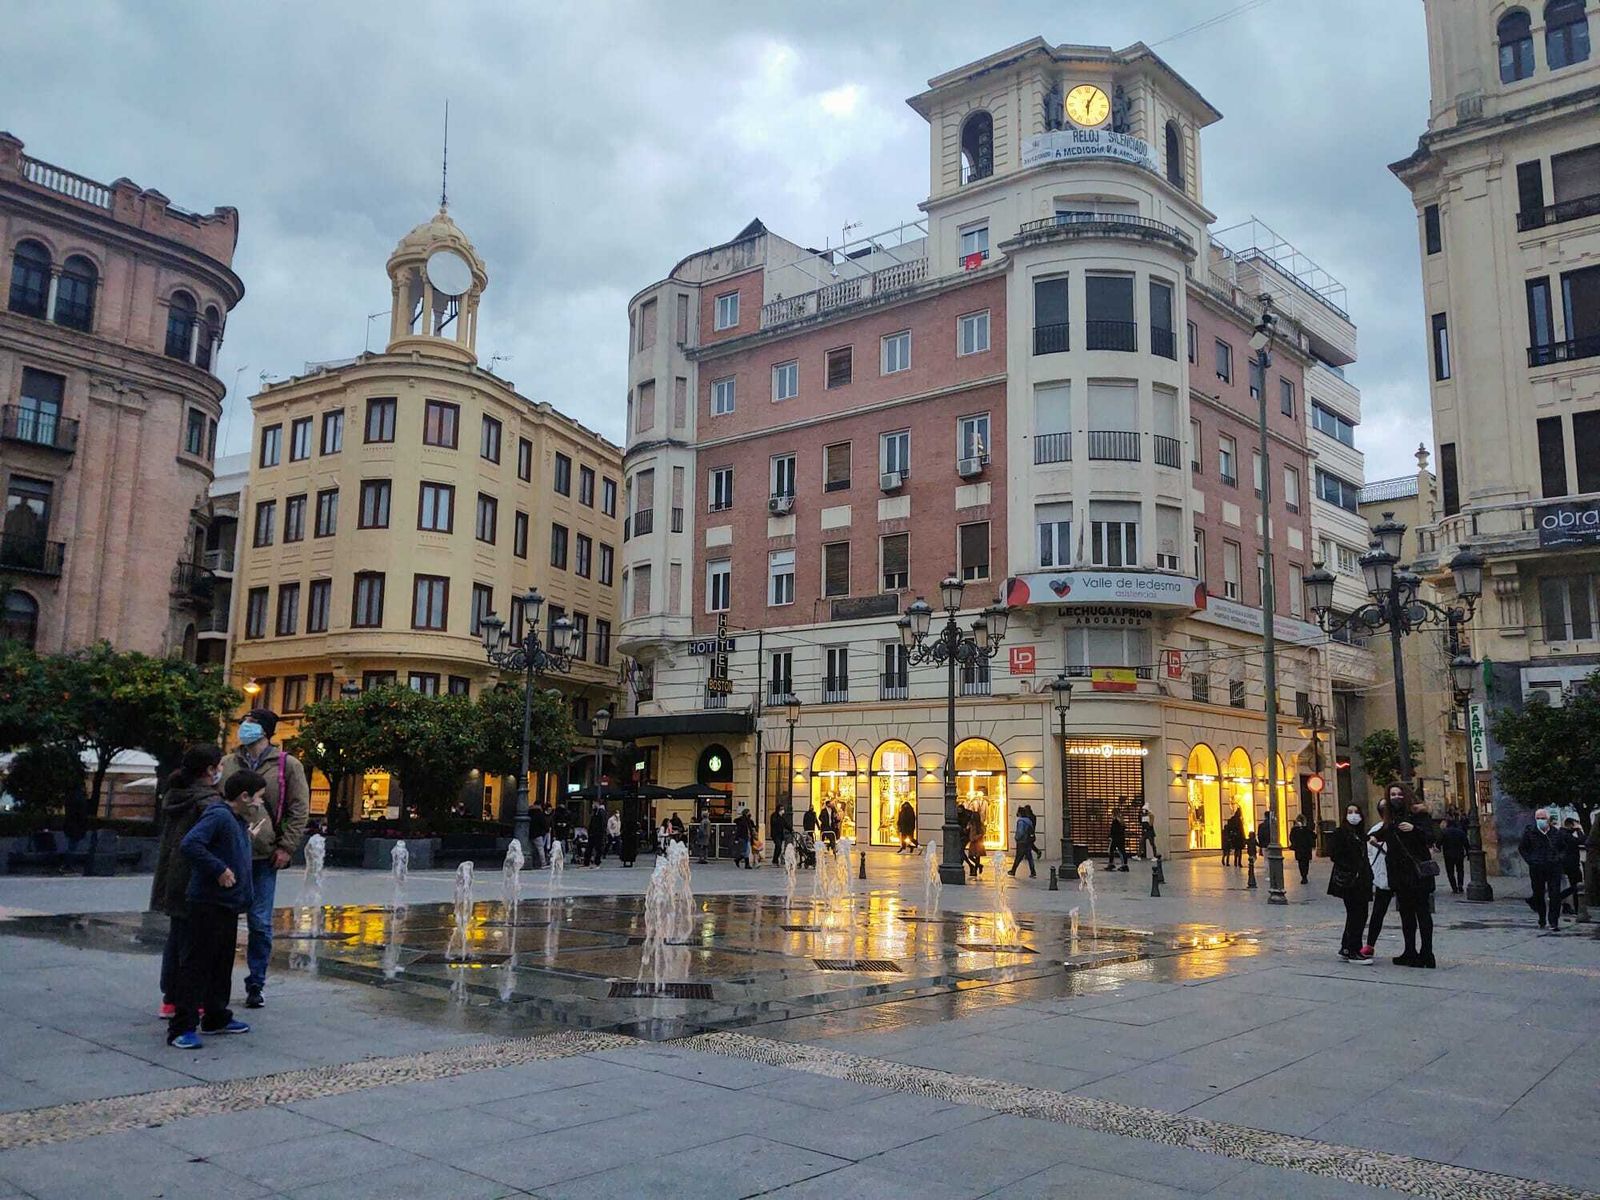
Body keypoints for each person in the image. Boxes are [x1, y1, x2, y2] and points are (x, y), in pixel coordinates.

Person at [220, 708, 309, 1010]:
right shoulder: (229, 762)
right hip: (229, 853)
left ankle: (256, 982)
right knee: (223, 920)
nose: (244, 727)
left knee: (259, 922)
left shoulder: (287, 764)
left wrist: (286, 846)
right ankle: (217, 983)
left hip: (264, 854)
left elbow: (299, 808)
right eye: (244, 722)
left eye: (251, 723)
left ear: (266, 730)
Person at [169, 770, 263, 1048]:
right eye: (258, 798)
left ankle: (216, 1015)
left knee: (221, 963)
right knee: (197, 964)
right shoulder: (218, 814)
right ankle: (181, 1027)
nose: (260, 804)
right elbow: (191, 844)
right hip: (208, 903)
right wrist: (219, 869)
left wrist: (245, 838)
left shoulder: (234, 819)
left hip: (227, 904)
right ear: (244, 797)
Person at [150, 745, 224, 1019]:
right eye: (218, 765)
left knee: (177, 938)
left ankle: (170, 998)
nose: (221, 770)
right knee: (198, 944)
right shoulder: (209, 803)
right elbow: (209, 844)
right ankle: (194, 1000)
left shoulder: (175, 795)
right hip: (197, 881)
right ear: (209, 770)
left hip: (172, 878)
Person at [1383, 783, 1437, 967]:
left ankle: (1427, 953)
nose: (1396, 797)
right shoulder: (1390, 817)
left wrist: (1414, 829)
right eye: (1392, 794)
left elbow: (1431, 836)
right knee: (1406, 915)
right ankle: (1410, 951)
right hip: (1400, 874)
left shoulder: (1419, 815)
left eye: (1399, 794)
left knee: (1422, 913)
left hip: (1417, 873)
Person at [1329, 802, 1374, 962]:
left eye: (1356, 812)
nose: (1353, 815)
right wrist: (1352, 867)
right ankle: (1354, 950)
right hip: (1350, 881)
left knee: (1357, 914)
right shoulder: (1341, 833)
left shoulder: (1361, 834)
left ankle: (1346, 947)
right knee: (1357, 914)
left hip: (1362, 880)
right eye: (1350, 812)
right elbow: (1335, 855)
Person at [1519, 807, 1564, 931]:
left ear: (1548, 819)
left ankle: (1553, 921)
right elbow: (1523, 848)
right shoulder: (1530, 832)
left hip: (1553, 868)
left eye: (1543, 818)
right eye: (1538, 819)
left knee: (1555, 894)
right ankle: (1542, 918)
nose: (1540, 821)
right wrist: (1531, 861)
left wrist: (1558, 858)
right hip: (1537, 868)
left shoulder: (1556, 833)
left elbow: (1563, 848)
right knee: (1538, 894)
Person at [1359, 799, 1392, 960]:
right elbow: (1371, 853)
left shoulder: (1402, 826)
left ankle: (1411, 948)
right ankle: (1370, 944)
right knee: (1378, 912)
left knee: (1408, 912)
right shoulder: (1377, 829)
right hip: (1383, 875)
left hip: (1401, 875)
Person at [1558, 817, 1584, 914]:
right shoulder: (1566, 835)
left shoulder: (1562, 833)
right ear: (1570, 825)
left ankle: (1566, 904)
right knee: (1577, 885)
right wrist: (1579, 830)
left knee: (1573, 886)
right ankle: (1576, 908)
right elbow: (1582, 840)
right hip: (1571, 864)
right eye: (1575, 824)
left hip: (1566, 863)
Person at [1440, 816, 1468, 894]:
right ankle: (1460, 885)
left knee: (1450, 872)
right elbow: (1466, 843)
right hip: (1459, 854)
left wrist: (1437, 848)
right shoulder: (1461, 832)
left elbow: (1439, 842)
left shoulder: (1444, 832)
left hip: (1448, 854)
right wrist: (1468, 853)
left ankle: (1454, 887)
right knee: (1460, 870)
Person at [1009, 806, 1037, 878]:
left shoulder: (1021, 821)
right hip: (1028, 841)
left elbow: (1020, 832)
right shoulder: (1028, 821)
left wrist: (1017, 838)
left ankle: (1013, 870)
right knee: (1029, 857)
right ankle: (1033, 871)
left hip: (1022, 842)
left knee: (1018, 857)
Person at [1289, 815, 1316, 884]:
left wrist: (1294, 844)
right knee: (1306, 863)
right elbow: (1314, 836)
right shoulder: (1307, 829)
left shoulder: (1294, 830)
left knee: (1300, 863)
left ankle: (1303, 876)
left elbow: (1291, 838)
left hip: (1299, 849)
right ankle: (1305, 875)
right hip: (1306, 849)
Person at [527, 803, 548, 870]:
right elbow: (543, 824)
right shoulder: (539, 814)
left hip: (529, 834)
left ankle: (531, 863)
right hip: (538, 834)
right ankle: (543, 863)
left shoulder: (528, 813)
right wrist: (546, 830)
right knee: (540, 849)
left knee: (530, 850)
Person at [586, 803, 607, 867]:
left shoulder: (599, 813)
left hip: (596, 834)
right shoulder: (598, 812)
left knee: (592, 848)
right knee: (597, 848)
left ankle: (589, 861)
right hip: (597, 834)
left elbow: (599, 824)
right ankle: (595, 861)